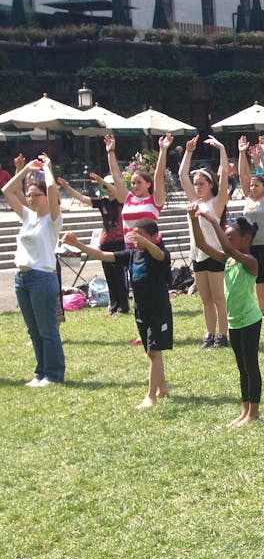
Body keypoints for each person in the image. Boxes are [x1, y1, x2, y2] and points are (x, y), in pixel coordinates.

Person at [64, 220, 172, 408]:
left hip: (158, 309)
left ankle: (151, 397)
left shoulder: (160, 253)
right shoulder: (132, 254)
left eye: (141, 235)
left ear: (154, 237)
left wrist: (146, 243)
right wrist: (78, 245)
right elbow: (104, 255)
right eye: (134, 234)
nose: (136, 239)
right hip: (141, 309)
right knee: (151, 352)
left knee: (154, 351)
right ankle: (163, 388)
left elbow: (159, 254)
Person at [190, 206, 264, 428]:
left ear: (246, 239)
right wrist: (194, 220)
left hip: (250, 319)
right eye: (227, 238)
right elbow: (203, 246)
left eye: (232, 237)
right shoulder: (229, 260)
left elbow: (228, 249)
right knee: (241, 367)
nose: (228, 242)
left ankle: (254, 412)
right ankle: (245, 410)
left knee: (251, 366)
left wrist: (214, 221)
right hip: (234, 321)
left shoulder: (250, 262)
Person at [5, 155, 64, 386]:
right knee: (33, 330)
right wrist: (24, 170)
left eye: (34, 195)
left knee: (47, 329)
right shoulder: (27, 217)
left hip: (42, 278)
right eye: (28, 195)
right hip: (23, 278)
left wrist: (47, 167)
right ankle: (41, 373)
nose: (30, 199)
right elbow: (8, 191)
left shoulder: (53, 219)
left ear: (46, 198)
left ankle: (54, 374)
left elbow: (51, 187)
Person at [180, 135, 232, 349]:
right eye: (196, 185)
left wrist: (221, 148)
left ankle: (222, 335)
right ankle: (209, 334)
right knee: (206, 300)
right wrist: (188, 151)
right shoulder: (194, 201)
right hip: (198, 256)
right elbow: (182, 175)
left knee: (219, 298)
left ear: (211, 185)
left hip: (215, 253)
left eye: (201, 184)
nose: (197, 187)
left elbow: (225, 173)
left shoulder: (217, 202)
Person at [57, 169, 130, 316]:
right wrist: (67, 187)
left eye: (111, 185)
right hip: (105, 243)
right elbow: (83, 198)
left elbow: (116, 192)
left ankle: (123, 306)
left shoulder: (121, 200)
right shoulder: (102, 202)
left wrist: (103, 181)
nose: (108, 188)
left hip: (119, 242)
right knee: (110, 276)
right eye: (106, 186)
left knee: (120, 276)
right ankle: (113, 305)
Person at [238, 136, 264, 317]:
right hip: (251, 245)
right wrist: (241, 153)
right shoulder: (249, 198)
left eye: (257, 185)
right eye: (252, 185)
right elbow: (243, 175)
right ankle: (261, 308)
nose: (252, 187)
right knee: (257, 278)